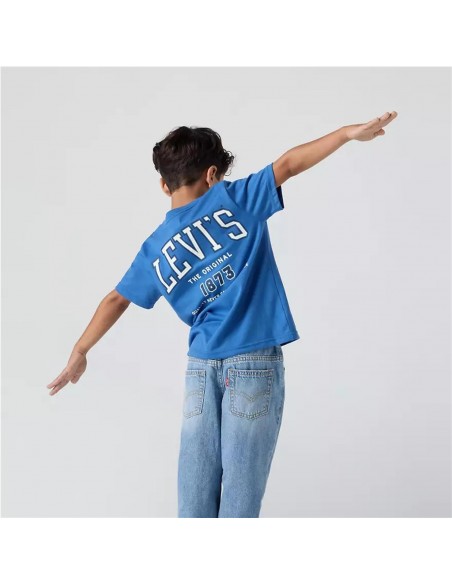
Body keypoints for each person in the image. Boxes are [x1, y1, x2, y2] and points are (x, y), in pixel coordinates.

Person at [47, 112, 398, 517]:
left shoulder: (155, 248)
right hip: (252, 361)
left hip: (200, 368)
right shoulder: (233, 199)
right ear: (212, 174)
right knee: (239, 501)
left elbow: (116, 300)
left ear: (164, 185)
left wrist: (80, 350)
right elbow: (287, 165)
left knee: (194, 499)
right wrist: (346, 134)